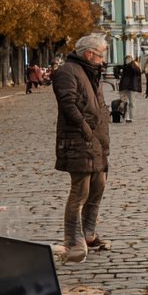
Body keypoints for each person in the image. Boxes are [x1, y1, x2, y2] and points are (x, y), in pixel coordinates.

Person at [52, 34, 112, 263]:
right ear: (89, 54)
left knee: (98, 186)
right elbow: (68, 104)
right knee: (80, 191)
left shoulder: (91, 72)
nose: (102, 60)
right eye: (100, 55)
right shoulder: (67, 72)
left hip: (96, 141)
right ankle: (73, 240)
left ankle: (88, 234)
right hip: (78, 140)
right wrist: (85, 128)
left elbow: (98, 105)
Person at [118, 54, 142, 122]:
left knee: (126, 102)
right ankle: (129, 117)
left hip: (125, 86)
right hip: (130, 86)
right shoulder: (132, 66)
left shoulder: (126, 66)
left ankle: (126, 117)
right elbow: (139, 72)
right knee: (130, 103)